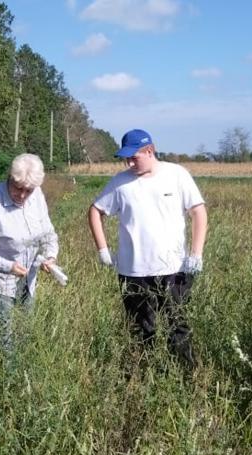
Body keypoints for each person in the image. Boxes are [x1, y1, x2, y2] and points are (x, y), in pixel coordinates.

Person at [88, 129, 208, 370]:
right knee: (142, 328)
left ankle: (185, 375)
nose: (129, 163)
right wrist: (103, 249)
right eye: (126, 159)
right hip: (132, 271)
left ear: (149, 151)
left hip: (174, 268)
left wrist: (196, 253)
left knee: (178, 325)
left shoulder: (177, 175)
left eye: (134, 157)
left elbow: (198, 212)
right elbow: (95, 211)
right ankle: (145, 377)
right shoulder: (120, 183)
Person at [0, 153, 59, 352]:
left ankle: (25, 369)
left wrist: (50, 255)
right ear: (10, 178)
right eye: (18, 189)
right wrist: (7, 266)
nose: (23, 195)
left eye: (29, 190)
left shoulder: (37, 195)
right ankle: (7, 378)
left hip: (28, 276)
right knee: (4, 334)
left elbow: (47, 229)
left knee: (26, 325)